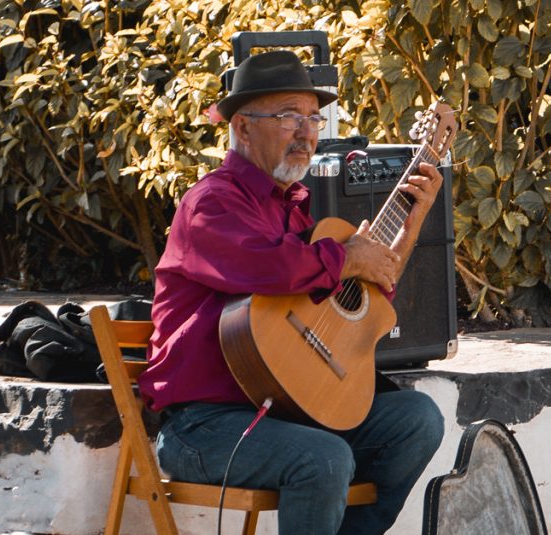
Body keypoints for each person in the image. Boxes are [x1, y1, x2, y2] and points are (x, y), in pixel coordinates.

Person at [137, 50, 445, 534]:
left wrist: (411, 221)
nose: (306, 131)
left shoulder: (295, 209)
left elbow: (365, 309)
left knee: (417, 419)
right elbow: (267, 266)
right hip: (204, 428)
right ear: (241, 127)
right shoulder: (210, 203)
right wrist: (347, 257)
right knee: (322, 457)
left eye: (312, 118)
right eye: (287, 116)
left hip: (285, 412)